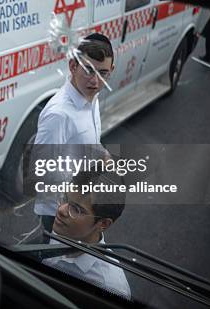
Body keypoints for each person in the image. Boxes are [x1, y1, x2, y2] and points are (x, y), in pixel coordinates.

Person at [33, 33, 114, 233]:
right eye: (88, 70)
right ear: (72, 66)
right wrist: (83, 181)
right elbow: (40, 171)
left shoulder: (90, 96)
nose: (95, 82)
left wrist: (103, 156)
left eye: (103, 73)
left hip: (84, 207)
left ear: (111, 71)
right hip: (60, 215)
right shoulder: (58, 114)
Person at [42, 170, 131, 300]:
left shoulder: (111, 287)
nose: (61, 210)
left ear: (103, 224)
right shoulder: (54, 231)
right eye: (64, 198)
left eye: (76, 209)